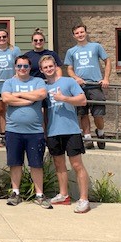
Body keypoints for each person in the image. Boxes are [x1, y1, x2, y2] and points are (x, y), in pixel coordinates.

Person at [39, 55, 91, 213]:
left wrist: (64, 98)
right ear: (41, 70)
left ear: (55, 66)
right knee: (59, 165)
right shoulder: (44, 88)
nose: (48, 69)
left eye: (50, 66)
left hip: (71, 130)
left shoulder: (68, 82)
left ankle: (84, 199)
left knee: (77, 165)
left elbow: (83, 100)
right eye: (45, 67)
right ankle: (64, 195)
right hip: (53, 131)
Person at [1, 55, 52, 209]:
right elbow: (6, 99)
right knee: (15, 163)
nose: (22, 69)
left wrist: (18, 95)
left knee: (36, 164)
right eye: (19, 66)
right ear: (15, 67)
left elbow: (41, 94)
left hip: (35, 131)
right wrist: (29, 100)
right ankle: (15, 193)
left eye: (25, 66)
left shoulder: (37, 81)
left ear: (30, 68)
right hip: (13, 130)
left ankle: (39, 195)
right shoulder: (9, 82)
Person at [64, 24, 111, 149]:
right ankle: (87, 138)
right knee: (82, 113)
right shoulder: (71, 51)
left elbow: (107, 61)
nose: (80, 35)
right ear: (74, 36)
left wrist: (105, 78)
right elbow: (69, 69)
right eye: (77, 33)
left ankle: (100, 133)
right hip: (80, 87)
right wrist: (76, 78)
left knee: (98, 114)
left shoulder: (96, 47)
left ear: (86, 32)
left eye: (82, 32)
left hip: (95, 85)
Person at [0, 29, 22, 147]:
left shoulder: (15, 50)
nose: (2, 39)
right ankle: (3, 136)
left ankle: (15, 135)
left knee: (14, 110)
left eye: (4, 37)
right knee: (0, 110)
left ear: (7, 37)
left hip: (13, 86)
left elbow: (20, 65)